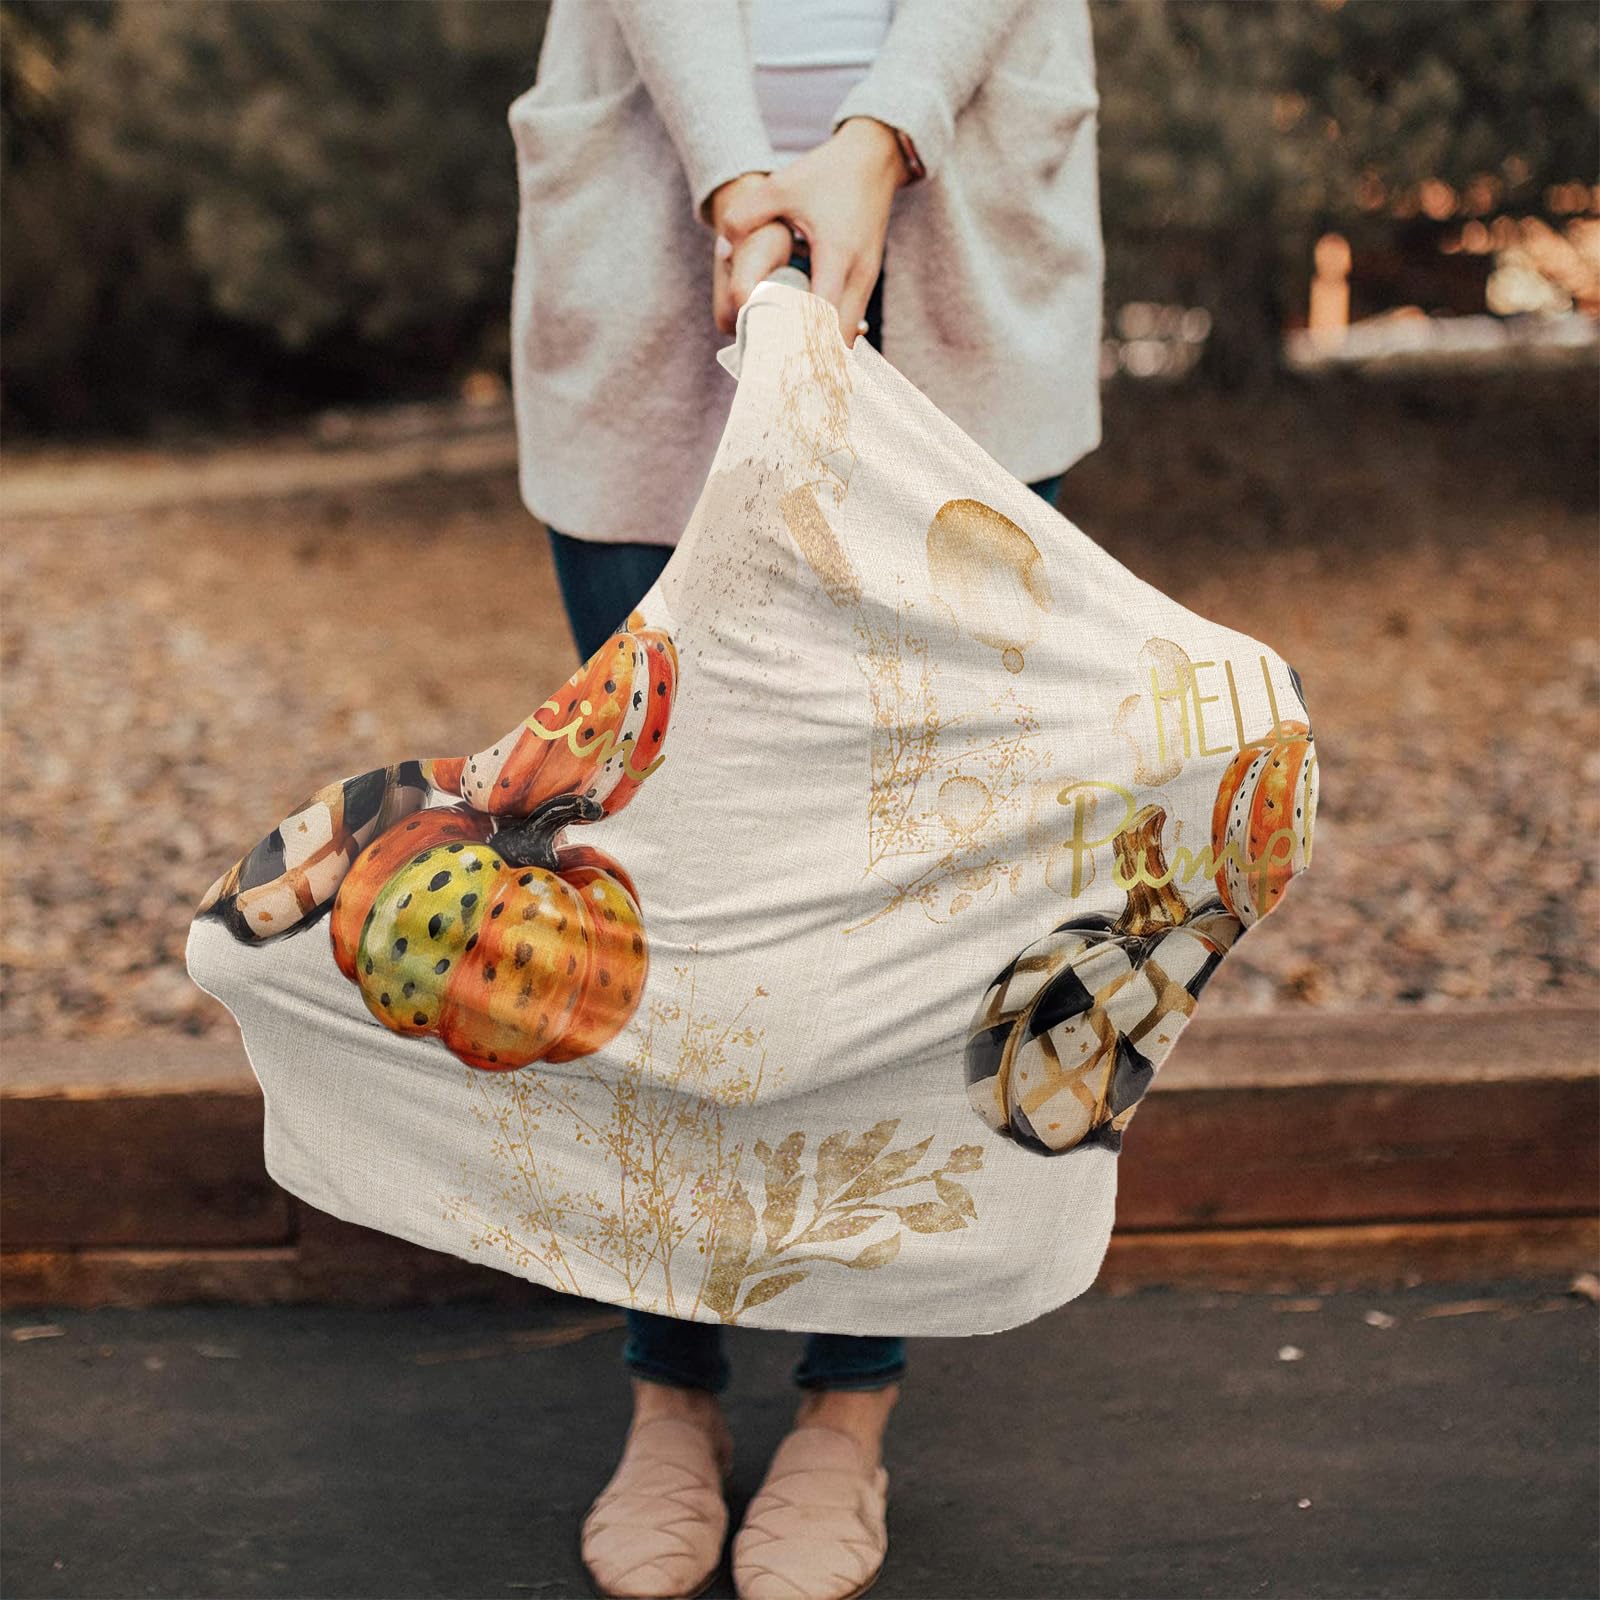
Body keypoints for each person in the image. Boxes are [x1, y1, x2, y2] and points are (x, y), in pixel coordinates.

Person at [506, 3, 1103, 1595]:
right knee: (662, 871)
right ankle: (671, 1386)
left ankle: (849, 1402)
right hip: (657, 220)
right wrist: (733, 178)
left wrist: (877, 136)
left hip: (959, 221)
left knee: (918, 874)